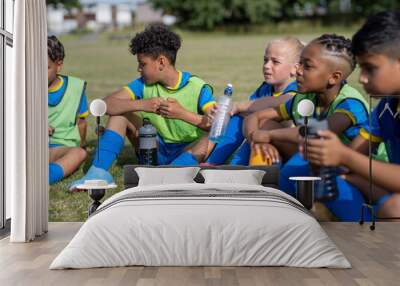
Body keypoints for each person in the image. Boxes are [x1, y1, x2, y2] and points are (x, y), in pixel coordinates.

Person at [69, 24, 215, 190]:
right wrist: (142, 104)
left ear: (161, 62)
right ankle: (97, 173)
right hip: (152, 150)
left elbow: (216, 124)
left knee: (211, 138)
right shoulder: (142, 84)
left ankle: (174, 174)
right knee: (119, 113)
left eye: (142, 64)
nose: (138, 69)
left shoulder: (197, 87)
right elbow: (105, 105)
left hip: (187, 152)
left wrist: (182, 114)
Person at [244, 34, 371, 221]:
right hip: (321, 163)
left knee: (296, 172)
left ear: (334, 77)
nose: (298, 71)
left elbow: (316, 131)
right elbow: (256, 116)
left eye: (307, 66)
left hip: (357, 173)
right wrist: (256, 139)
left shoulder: (350, 103)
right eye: (299, 63)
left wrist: (269, 136)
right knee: (271, 136)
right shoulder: (305, 97)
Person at [303, 11, 400, 219]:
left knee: (394, 208)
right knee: (331, 181)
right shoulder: (386, 108)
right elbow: (351, 159)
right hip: (389, 191)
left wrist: (344, 155)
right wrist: (325, 156)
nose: (362, 79)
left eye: (370, 68)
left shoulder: (352, 104)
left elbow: (350, 157)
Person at [196, 37, 304, 166]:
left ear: (295, 69)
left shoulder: (297, 88)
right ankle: (214, 162)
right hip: (261, 140)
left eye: (275, 62)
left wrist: (238, 106)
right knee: (239, 119)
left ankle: (236, 168)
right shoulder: (265, 88)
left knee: (256, 123)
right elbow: (246, 114)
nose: (267, 66)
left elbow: (282, 101)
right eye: (265, 60)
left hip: (289, 150)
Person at [48, 35, 88, 185]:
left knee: (79, 153)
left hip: (60, 149)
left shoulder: (76, 87)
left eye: (45, 68)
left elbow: (81, 123)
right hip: (29, 147)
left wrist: (82, 144)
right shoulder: (24, 85)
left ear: (58, 65)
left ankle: (45, 176)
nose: (38, 72)